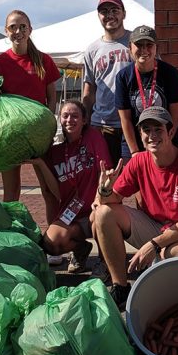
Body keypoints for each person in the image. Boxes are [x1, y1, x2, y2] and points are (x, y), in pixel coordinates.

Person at [90, 105, 178, 308]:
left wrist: (153, 245)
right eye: (146, 130)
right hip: (155, 226)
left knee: (172, 254)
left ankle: (172, 296)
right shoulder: (139, 162)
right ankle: (121, 287)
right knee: (102, 215)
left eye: (158, 129)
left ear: (170, 132)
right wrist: (105, 190)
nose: (152, 135)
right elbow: (108, 202)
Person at [30, 99, 110, 274]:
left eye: (75, 116)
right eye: (65, 116)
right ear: (59, 119)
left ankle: (104, 262)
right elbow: (57, 191)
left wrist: (100, 200)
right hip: (72, 213)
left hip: (95, 207)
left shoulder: (93, 137)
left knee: (101, 218)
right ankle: (81, 250)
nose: (69, 120)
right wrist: (41, 164)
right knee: (51, 243)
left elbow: (104, 173)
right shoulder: (55, 150)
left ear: (84, 120)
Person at [0, 9, 60, 202]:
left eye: (22, 26)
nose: (18, 31)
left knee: (48, 189)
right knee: (11, 191)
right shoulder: (0, 63)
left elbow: (51, 97)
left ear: (30, 30)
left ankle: (52, 230)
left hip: (39, 133)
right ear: (6, 31)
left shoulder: (43, 59)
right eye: (13, 27)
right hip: (10, 133)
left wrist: (49, 126)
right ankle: (12, 230)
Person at [114, 25, 178, 157]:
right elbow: (125, 120)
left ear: (156, 48)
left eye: (149, 45)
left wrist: (166, 144)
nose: (144, 50)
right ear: (130, 48)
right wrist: (135, 152)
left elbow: (175, 116)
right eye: (139, 45)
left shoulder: (171, 73)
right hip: (134, 143)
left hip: (165, 141)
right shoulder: (123, 77)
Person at [82, 0, 131, 165]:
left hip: (133, 121)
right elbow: (89, 91)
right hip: (103, 124)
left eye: (114, 10)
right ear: (99, 17)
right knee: (106, 177)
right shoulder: (92, 50)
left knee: (132, 178)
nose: (109, 15)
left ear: (124, 14)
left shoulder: (137, 42)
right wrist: (85, 123)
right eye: (104, 11)